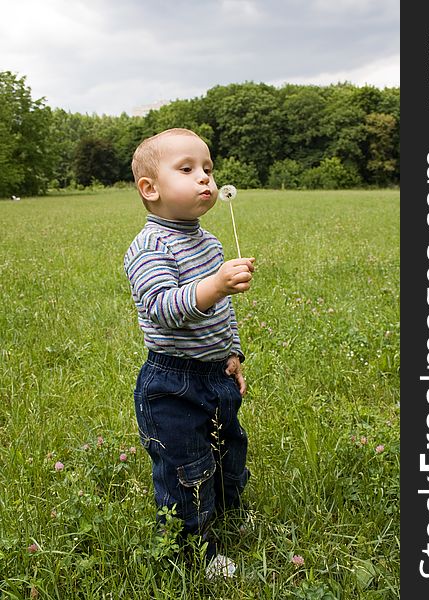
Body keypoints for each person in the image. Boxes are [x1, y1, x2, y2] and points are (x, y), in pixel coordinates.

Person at [124, 128, 255, 575]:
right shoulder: (148, 248)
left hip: (215, 372)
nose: (205, 179)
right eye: (187, 169)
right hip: (173, 381)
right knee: (186, 467)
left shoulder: (212, 243)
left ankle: (229, 514)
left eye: (208, 170)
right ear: (151, 188)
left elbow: (222, 313)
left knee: (227, 449)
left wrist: (233, 352)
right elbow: (162, 308)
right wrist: (215, 284)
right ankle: (190, 550)